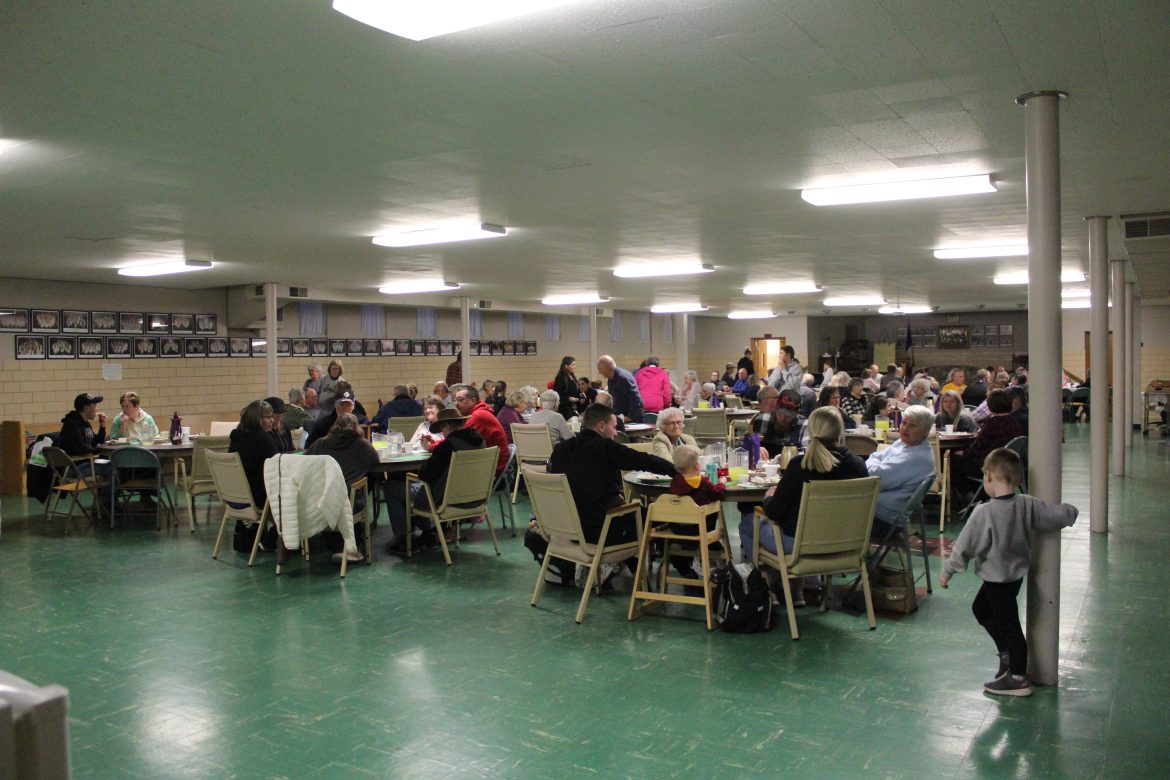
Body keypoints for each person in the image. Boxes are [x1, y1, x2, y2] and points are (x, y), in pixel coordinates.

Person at [940, 448, 1078, 696]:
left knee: (1010, 625)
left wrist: (948, 571)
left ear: (989, 476)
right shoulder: (1027, 504)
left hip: (996, 580)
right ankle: (1006, 653)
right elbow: (1054, 514)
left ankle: (1017, 677)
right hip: (1014, 578)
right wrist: (1071, 512)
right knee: (981, 609)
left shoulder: (984, 513)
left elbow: (965, 545)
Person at [528, 403, 674, 585]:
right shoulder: (605, 448)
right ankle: (684, 572)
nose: (615, 433)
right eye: (613, 427)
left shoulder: (560, 450)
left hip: (566, 529)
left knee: (621, 511)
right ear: (601, 427)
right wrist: (678, 472)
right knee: (657, 518)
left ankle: (634, 567)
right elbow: (645, 461)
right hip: (599, 532)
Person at [745, 407, 868, 592]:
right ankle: (801, 585)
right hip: (846, 544)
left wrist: (769, 498)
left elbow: (774, 513)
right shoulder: (858, 466)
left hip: (798, 546)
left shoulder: (799, 466)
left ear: (811, 430)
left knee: (748, 524)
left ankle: (764, 583)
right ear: (840, 431)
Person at [384, 408, 484, 555]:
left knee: (391, 486)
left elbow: (425, 475)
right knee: (423, 487)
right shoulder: (480, 441)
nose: (442, 433)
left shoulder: (448, 446)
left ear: (448, 426)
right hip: (476, 498)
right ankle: (428, 533)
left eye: (442, 428)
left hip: (445, 498)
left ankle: (403, 538)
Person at [306, 412, 381, 562]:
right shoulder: (361, 444)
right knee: (367, 483)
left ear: (335, 426)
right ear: (356, 427)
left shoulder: (321, 443)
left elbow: (307, 461)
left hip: (323, 500)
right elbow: (375, 462)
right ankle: (354, 546)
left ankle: (336, 546)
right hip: (349, 501)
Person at [865, 405, 936, 538]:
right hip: (874, 511)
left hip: (883, 520)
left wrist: (875, 463)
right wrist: (875, 462)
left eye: (912, 426)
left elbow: (873, 477)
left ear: (925, 432)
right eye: (904, 423)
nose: (905, 428)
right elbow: (875, 456)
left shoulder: (916, 457)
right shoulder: (904, 443)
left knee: (836, 509)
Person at [666, 444, 726, 582]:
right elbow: (718, 493)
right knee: (713, 508)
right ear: (698, 466)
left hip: (678, 528)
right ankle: (713, 550)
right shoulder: (703, 483)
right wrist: (722, 482)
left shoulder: (675, 482)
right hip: (700, 527)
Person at [228, 400, 280, 551]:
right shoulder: (262, 439)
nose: (272, 420)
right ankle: (273, 540)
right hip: (259, 496)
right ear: (258, 419)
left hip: (236, 496)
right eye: (268, 417)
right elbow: (278, 464)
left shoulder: (236, 437)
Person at [952, 389, 1022, 484]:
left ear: (990, 405)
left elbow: (978, 447)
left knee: (951, 461)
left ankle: (966, 492)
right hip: (1008, 463)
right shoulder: (1014, 421)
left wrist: (964, 452)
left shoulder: (992, 423)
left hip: (989, 463)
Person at [453, 384, 509, 475]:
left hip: (494, 469)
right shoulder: (476, 413)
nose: (456, 404)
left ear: (473, 400)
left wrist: (433, 446)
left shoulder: (477, 416)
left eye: (460, 400)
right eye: (455, 400)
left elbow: (458, 441)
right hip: (490, 463)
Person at [752, 388, 804, 459]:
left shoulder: (803, 425)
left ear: (796, 414)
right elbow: (750, 443)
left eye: (787, 416)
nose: (782, 418)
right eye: (779, 413)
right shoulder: (763, 419)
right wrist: (754, 447)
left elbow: (807, 453)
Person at [596, 355, 644, 424]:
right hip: (622, 417)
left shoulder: (623, 378)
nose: (599, 372)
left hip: (632, 420)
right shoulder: (610, 379)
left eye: (600, 370)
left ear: (606, 368)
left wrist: (629, 418)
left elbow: (636, 399)